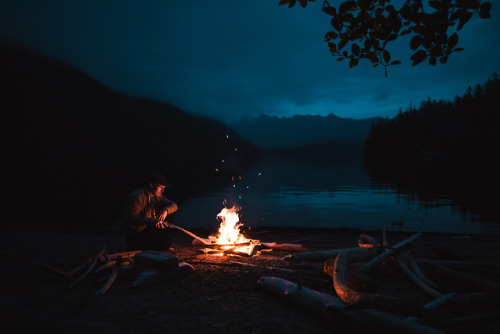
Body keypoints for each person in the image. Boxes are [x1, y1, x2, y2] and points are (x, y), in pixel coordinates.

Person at [122, 173, 179, 251]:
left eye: (164, 188)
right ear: (152, 185)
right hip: (137, 235)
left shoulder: (157, 196)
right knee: (163, 245)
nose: (163, 190)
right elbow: (129, 218)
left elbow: (174, 205)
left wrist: (165, 210)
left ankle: (162, 242)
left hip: (149, 230)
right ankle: (137, 245)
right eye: (161, 187)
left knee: (170, 213)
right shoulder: (137, 197)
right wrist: (151, 221)